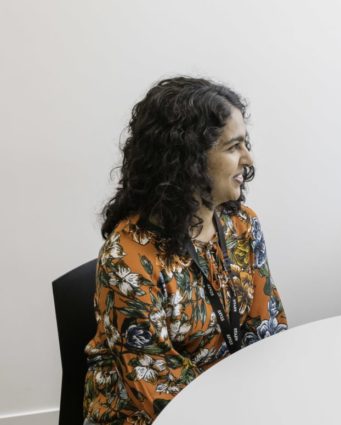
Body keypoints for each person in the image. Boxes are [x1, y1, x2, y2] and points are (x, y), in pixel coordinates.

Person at [83, 77, 287, 425]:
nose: (248, 159)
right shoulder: (128, 258)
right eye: (233, 146)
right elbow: (157, 388)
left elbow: (266, 329)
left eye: (246, 143)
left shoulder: (242, 226)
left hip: (230, 399)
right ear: (188, 158)